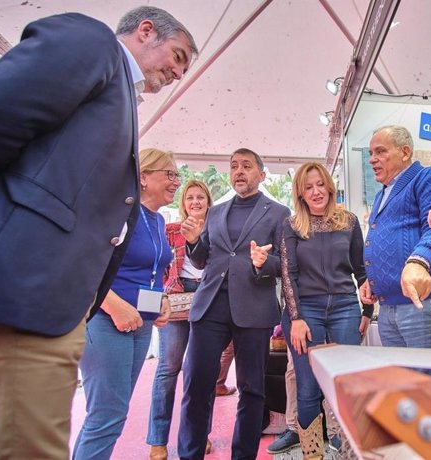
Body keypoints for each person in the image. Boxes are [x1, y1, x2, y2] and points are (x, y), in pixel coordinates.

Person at [0, 6, 196, 459]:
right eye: (177, 56)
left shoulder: (119, 94)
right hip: (25, 287)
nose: (177, 72)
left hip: (61, 303)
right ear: (145, 31)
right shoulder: (91, 42)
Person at [178, 148, 291, 460]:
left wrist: (263, 263)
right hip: (210, 307)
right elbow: (203, 260)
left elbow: (286, 263)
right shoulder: (216, 213)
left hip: (254, 309)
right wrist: (192, 242)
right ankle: (190, 453)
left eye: (246, 165)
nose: (239, 171)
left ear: (262, 175)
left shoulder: (279, 213)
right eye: (234, 166)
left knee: (252, 390)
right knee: (196, 385)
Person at [72, 148, 179, 458]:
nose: (176, 182)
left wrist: (162, 302)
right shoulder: (117, 212)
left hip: (140, 324)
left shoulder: (157, 221)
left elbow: (151, 271)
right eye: (168, 174)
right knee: (106, 417)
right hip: (105, 322)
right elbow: (81, 264)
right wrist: (113, 305)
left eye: (177, 175)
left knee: (110, 416)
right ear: (143, 177)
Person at [274, 162, 373, 459]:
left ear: (329, 186)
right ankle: (313, 454)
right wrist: (297, 318)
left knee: (347, 384)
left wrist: (367, 311)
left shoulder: (350, 222)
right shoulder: (291, 226)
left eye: (320, 184)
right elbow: (287, 274)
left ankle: (348, 450)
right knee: (308, 388)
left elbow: (361, 270)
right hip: (306, 311)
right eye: (308, 187)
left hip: (345, 307)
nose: (316, 191)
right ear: (301, 194)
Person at [359, 125, 431, 391]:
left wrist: (419, 261)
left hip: (421, 306)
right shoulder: (381, 194)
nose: (372, 159)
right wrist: (373, 279)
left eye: (380, 151)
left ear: (405, 152)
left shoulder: (428, 177)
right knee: (406, 391)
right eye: (370, 153)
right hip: (388, 308)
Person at [147, 179, 236, 460]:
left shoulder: (218, 231)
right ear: (183, 204)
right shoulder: (169, 230)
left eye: (201, 197)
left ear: (208, 202)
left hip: (207, 300)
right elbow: (155, 269)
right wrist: (152, 307)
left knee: (202, 371)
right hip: (174, 301)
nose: (196, 202)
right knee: (168, 368)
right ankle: (158, 440)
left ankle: (200, 434)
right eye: (190, 198)